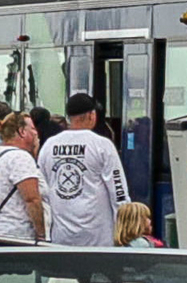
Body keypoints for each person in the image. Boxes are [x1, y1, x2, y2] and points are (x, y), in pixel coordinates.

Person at [38, 92, 130, 247]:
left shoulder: (48, 146)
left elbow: (43, 190)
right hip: (99, 240)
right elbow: (119, 193)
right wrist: (126, 231)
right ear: (91, 115)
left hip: (61, 238)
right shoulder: (102, 145)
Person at [0, 110, 45, 244]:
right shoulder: (20, 158)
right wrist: (41, 235)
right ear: (21, 131)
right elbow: (31, 199)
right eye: (32, 129)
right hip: (15, 236)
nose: (36, 133)